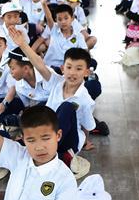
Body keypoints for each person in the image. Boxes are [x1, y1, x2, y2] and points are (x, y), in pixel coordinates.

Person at [8, 26, 96, 165]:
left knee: (66, 107)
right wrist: (23, 45)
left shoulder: (85, 99)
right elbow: (39, 65)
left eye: (78, 69)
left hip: (65, 141)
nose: (72, 73)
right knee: (38, 109)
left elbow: (87, 127)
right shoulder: (56, 82)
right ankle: (43, 150)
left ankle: (59, 155)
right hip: (45, 134)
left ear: (86, 72)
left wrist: (84, 143)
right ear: (62, 68)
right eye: (69, 67)